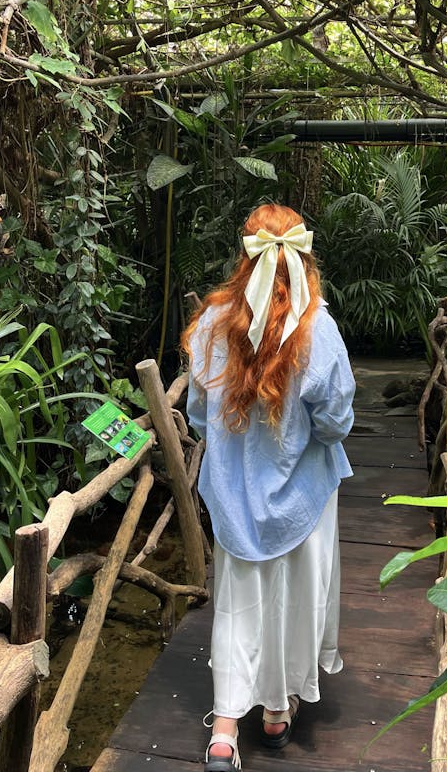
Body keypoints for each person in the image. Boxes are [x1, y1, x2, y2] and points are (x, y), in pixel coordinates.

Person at [182, 203, 355, 772]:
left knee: (238, 605)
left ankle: (225, 735)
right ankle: (278, 715)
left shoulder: (210, 324)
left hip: (234, 495)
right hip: (302, 495)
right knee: (298, 596)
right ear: (304, 258)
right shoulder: (317, 328)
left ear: (244, 257)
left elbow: (201, 418)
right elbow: (334, 423)